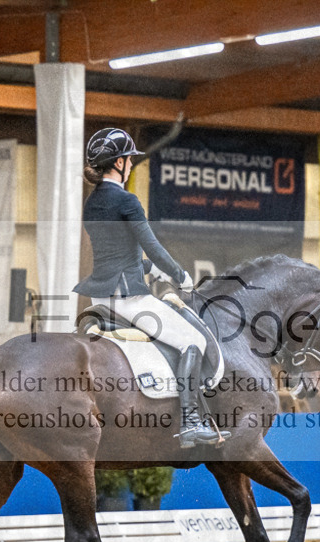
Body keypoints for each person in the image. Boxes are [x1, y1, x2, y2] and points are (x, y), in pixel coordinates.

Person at [73, 127, 227, 449]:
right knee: (192, 340)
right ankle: (190, 423)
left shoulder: (92, 203)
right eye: (129, 159)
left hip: (100, 296)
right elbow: (152, 245)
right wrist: (178, 273)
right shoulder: (127, 200)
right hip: (127, 298)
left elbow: (114, 253)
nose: (131, 164)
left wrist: (147, 268)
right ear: (119, 163)